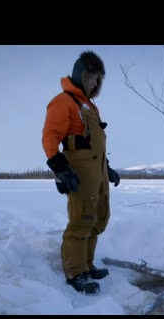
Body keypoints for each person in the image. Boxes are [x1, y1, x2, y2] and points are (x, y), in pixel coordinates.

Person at [42, 50, 120, 295]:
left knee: (98, 218)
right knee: (81, 220)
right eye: (93, 77)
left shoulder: (89, 106)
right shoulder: (63, 101)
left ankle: (86, 265)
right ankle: (75, 272)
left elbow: (92, 143)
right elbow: (50, 137)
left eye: (99, 79)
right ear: (82, 75)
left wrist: (107, 169)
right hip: (80, 171)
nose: (96, 83)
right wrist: (60, 169)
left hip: (97, 171)